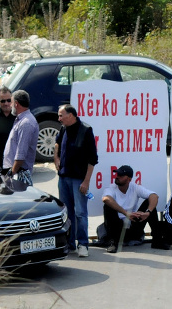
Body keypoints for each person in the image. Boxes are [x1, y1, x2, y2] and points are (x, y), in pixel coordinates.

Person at [54, 103, 98, 257]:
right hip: (63, 178)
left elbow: (93, 160)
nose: (59, 118)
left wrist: (86, 182)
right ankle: (69, 243)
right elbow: (57, 143)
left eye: (61, 115)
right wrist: (56, 158)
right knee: (66, 212)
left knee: (80, 212)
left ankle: (83, 244)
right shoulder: (63, 128)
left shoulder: (85, 130)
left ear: (70, 115)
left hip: (78, 179)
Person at [101, 165, 167, 252]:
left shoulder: (135, 187)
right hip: (117, 227)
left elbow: (154, 196)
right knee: (108, 206)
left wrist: (148, 212)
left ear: (129, 179)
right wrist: (126, 213)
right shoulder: (111, 188)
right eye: (117, 174)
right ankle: (113, 242)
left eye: (121, 175)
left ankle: (157, 240)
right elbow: (106, 199)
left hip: (133, 225)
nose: (117, 177)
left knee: (149, 204)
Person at [2, 90, 38, 185]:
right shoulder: (21, 119)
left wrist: (12, 173)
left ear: (16, 104)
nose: (9, 105)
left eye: (11, 102)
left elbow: (21, 153)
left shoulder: (26, 123)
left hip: (18, 173)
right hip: (14, 171)